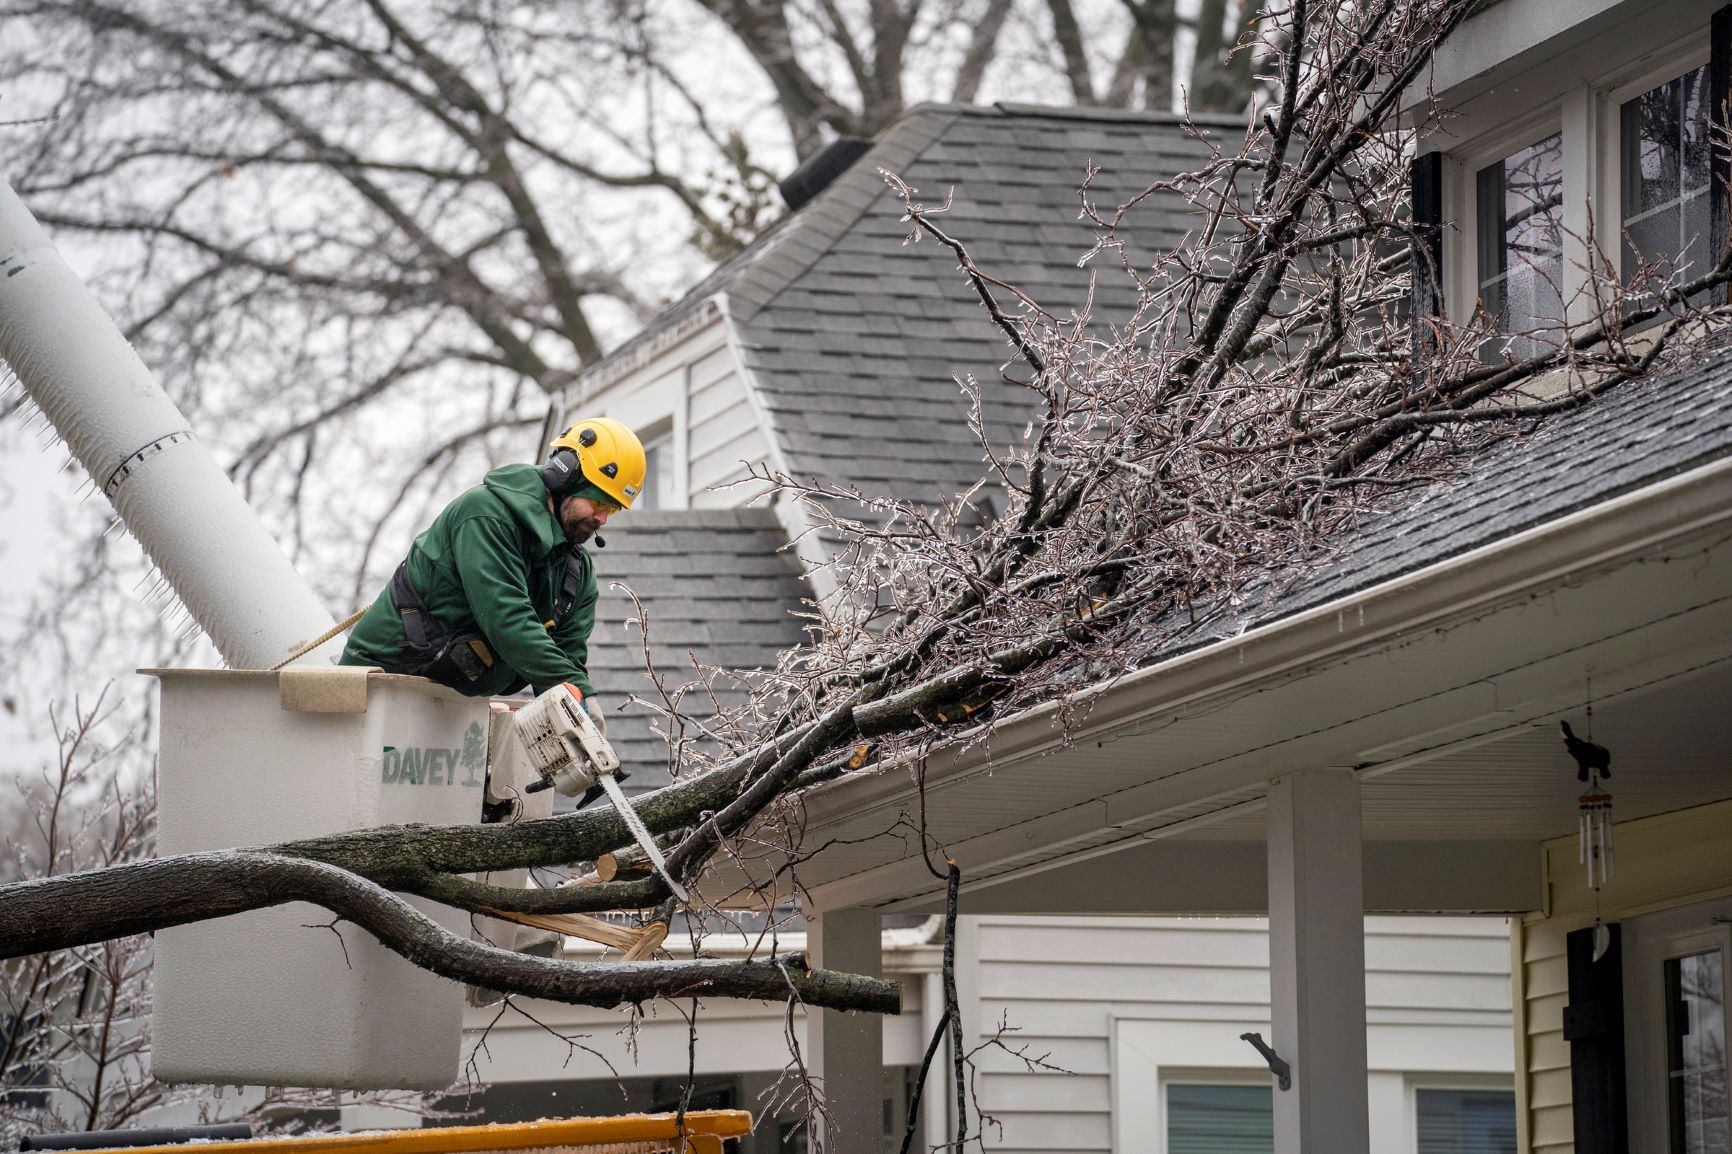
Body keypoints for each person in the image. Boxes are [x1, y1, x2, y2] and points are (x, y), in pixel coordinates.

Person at [341, 417, 645, 709]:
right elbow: (507, 619)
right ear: (564, 476)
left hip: (451, 701)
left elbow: (567, 659)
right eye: (600, 502)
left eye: (613, 509)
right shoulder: (485, 518)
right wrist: (574, 689)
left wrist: (580, 706)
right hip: (376, 686)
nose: (602, 519)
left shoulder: (577, 573)